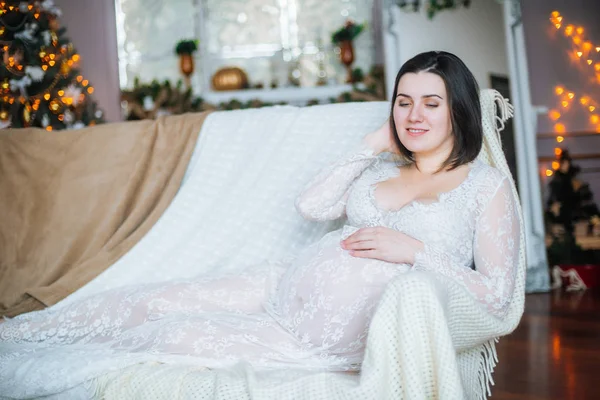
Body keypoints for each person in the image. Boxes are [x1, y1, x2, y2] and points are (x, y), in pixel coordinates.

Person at [0, 51, 521, 397]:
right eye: (403, 102)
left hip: (314, 337)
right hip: (281, 283)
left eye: (431, 103)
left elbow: (498, 297)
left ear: (459, 111)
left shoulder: (483, 188)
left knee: (176, 334)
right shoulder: (385, 165)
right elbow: (313, 206)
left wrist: (413, 250)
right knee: (150, 299)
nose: (414, 115)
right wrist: (371, 143)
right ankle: (22, 334)